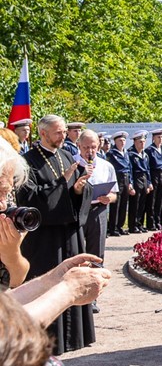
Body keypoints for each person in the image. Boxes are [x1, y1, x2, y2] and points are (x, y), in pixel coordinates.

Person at [17, 115, 95, 355]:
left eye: (63, 131)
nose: (63, 136)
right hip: (45, 240)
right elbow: (30, 199)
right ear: (43, 134)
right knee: (50, 284)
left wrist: (78, 189)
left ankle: (73, 339)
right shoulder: (26, 162)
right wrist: (62, 182)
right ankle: (50, 343)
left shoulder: (67, 156)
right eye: (58, 132)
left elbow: (77, 191)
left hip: (68, 231)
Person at [73, 130, 117, 313]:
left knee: (96, 253)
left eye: (93, 147)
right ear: (78, 146)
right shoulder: (72, 164)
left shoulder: (106, 166)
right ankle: (74, 295)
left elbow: (114, 193)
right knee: (76, 252)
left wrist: (109, 198)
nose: (90, 151)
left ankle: (93, 297)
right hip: (77, 212)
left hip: (98, 210)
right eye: (86, 147)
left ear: (98, 146)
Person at [0, 136, 30, 289]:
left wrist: (11, 254)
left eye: (7, 192)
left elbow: (17, 279)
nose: (3, 203)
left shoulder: (6, 208)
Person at [106, 131, 133, 237]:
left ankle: (120, 226)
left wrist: (130, 182)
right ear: (115, 141)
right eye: (120, 140)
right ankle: (113, 227)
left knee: (123, 204)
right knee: (115, 205)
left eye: (124, 140)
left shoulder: (126, 153)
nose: (122, 142)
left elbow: (129, 168)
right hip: (117, 178)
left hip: (126, 178)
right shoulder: (111, 153)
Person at [144, 128, 162, 231]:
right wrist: (149, 181)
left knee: (160, 200)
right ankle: (151, 223)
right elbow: (148, 167)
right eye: (158, 137)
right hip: (154, 174)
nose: (160, 139)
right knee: (152, 200)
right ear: (153, 138)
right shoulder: (149, 151)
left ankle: (158, 221)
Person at [127, 131, 153, 233]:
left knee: (142, 203)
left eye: (143, 142)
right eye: (140, 142)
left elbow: (147, 169)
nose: (142, 144)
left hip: (144, 179)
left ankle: (139, 224)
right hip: (136, 178)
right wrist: (131, 184)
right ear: (134, 142)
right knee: (135, 204)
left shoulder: (145, 155)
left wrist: (149, 182)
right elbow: (130, 170)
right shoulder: (130, 154)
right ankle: (132, 225)